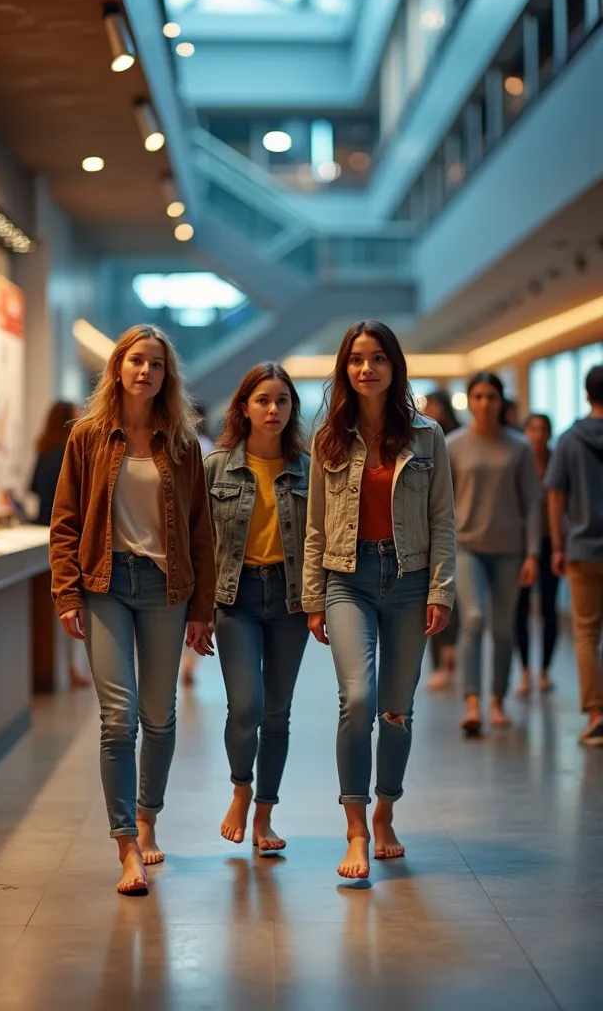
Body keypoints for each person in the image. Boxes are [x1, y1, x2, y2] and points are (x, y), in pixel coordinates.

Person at [50, 325, 216, 895]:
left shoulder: (183, 443)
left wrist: (204, 609)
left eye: (157, 364)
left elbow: (201, 533)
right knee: (117, 718)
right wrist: (67, 591)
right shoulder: (88, 437)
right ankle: (126, 846)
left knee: (159, 716)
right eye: (136, 361)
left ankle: (148, 820)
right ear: (118, 367)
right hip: (106, 584)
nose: (146, 371)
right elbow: (65, 521)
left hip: (168, 589)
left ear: (167, 376)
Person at [303, 321, 455, 880]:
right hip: (348, 577)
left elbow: (442, 520)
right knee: (357, 697)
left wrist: (441, 589)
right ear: (345, 369)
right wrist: (313, 599)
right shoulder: (329, 438)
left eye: (378, 359)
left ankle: (387, 810)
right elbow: (316, 528)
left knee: (396, 708)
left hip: (411, 577)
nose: (367, 369)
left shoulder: (427, 435)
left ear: (395, 367)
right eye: (357, 360)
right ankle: (356, 828)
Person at [205, 363, 310, 854]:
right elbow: (199, 543)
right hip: (236, 598)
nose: (274, 410)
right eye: (263, 400)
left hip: (290, 600)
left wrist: (320, 601)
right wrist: (197, 610)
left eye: (283, 401)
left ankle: (264, 815)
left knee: (278, 712)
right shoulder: (216, 467)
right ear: (243, 407)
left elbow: (324, 538)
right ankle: (241, 788)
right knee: (246, 706)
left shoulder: (309, 468)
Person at [447, 372, 541, 736]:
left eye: (492, 397)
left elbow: (532, 502)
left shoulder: (519, 447)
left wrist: (533, 553)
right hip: (466, 547)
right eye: (478, 397)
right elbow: (441, 505)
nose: (485, 404)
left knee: (503, 629)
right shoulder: (453, 445)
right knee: (473, 618)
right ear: (470, 401)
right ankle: (472, 702)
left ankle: (497, 700)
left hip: (509, 550)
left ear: (501, 402)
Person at [546, 365, 603, 746]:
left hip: (582, 549)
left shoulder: (569, 439)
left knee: (585, 634)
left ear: (586, 394)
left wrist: (558, 545)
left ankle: (597, 714)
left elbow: (555, 496)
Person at [30, 400, 91, 687]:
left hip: (44, 528)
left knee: (55, 602)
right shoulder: (72, 451)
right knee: (73, 602)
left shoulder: (43, 449)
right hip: (70, 532)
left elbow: (34, 487)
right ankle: (69, 668)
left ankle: (63, 667)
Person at [515, 414, 559, 696]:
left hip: (551, 543)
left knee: (549, 608)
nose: (538, 434)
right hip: (520, 545)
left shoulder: (557, 460)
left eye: (543, 429)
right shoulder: (518, 461)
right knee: (520, 609)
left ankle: (544, 670)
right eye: (533, 429)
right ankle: (526, 671)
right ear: (525, 432)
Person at [423, 391, 461, 690]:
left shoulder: (457, 440)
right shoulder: (421, 437)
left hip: (457, 526)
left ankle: (451, 651)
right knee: (433, 594)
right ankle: (440, 659)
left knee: (452, 597)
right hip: (426, 528)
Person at [180, 402, 216, 686]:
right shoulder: (207, 446)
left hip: (183, 534)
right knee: (197, 605)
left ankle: (185, 660)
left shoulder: (190, 446)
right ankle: (190, 662)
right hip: (201, 532)